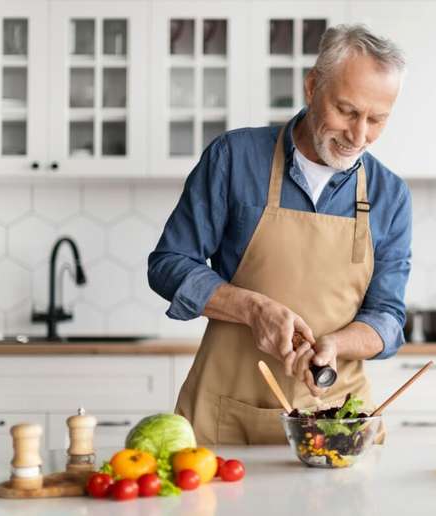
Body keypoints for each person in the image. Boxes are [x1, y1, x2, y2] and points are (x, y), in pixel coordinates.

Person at [148, 24, 412, 444]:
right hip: (227, 416)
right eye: (347, 111)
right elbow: (168, 264)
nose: (359, 135)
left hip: (336, 422)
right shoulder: (234, 158)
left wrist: (336, 344)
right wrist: (253, 309)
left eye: (377, 119)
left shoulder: (390, 194)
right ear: (312, 86)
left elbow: (388, 318)